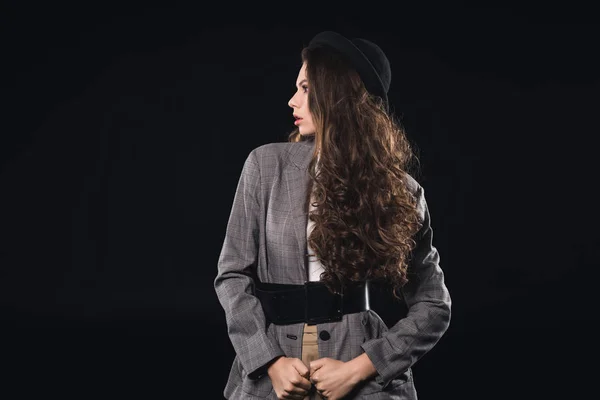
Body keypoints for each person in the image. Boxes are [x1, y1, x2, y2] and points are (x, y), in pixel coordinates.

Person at [214, 30, 451, 400]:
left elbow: (434, 304)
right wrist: (270, 362)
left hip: (362, 377)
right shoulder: (264, 166)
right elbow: (230, 276)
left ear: (337, 95)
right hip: (271, 378)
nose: (292, 100)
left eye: (306, 88)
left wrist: (360, 368)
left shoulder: (400, 191)